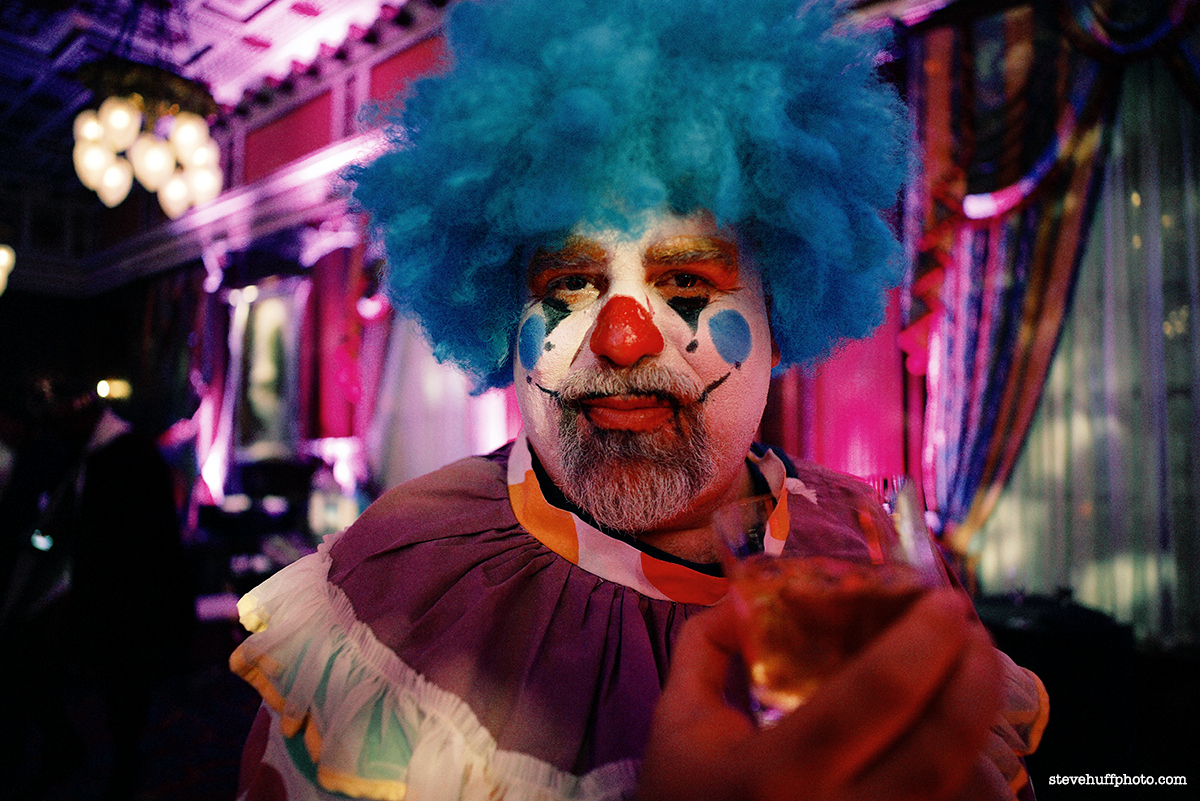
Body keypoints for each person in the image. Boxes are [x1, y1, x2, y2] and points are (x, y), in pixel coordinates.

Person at [230, 1, 1048, 799]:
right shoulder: (393, 586)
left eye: (686, 280)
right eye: (569, 283)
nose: (623, 338)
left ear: (780, 316)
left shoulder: (880, 560)